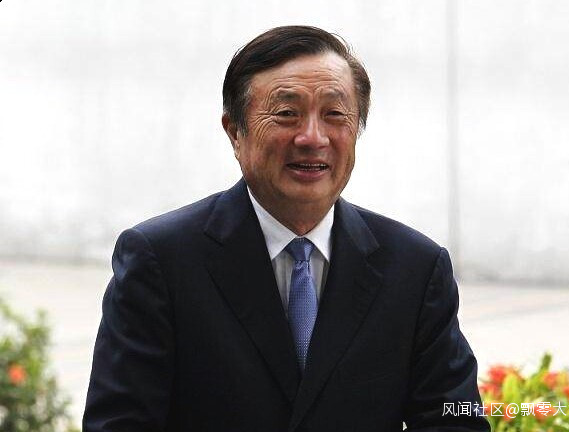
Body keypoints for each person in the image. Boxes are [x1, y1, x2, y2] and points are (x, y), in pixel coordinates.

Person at [83, 25, 489, 432]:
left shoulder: (414, 268)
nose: (312, 138)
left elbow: (453, 419)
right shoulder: (161, 261)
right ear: (235, 132)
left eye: (334, 115)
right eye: (286, 114)